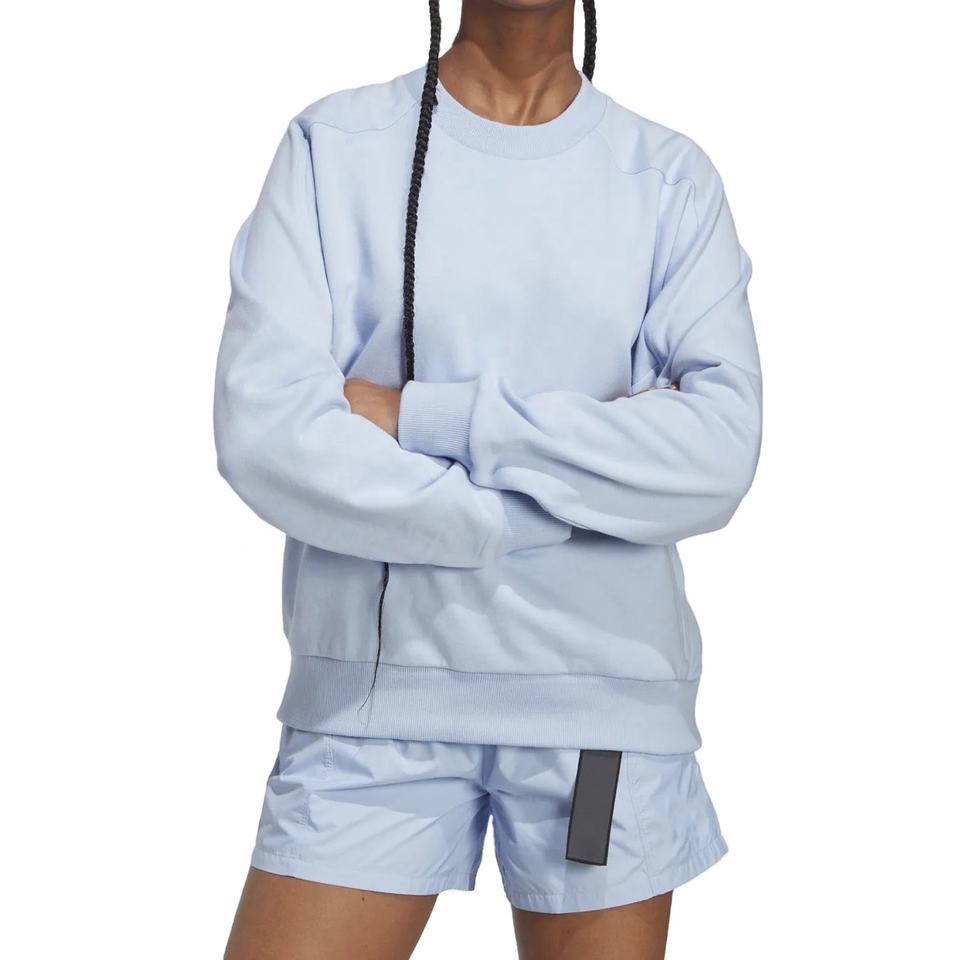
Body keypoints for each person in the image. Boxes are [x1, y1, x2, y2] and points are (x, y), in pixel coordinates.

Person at [215, 1, 762, 957]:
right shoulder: (336, 147)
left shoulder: (667, 177)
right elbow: (269, 434)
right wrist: (549, 511)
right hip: (370, 715)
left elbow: (716, 452)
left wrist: (426, 415)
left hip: (600, 720)